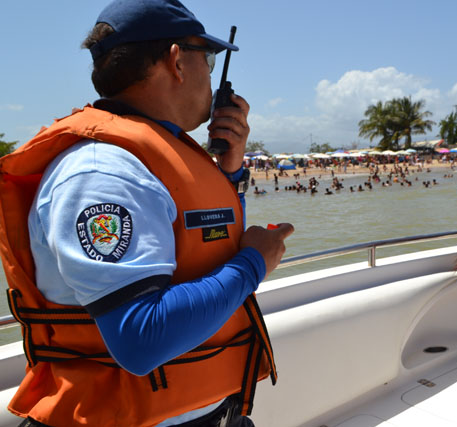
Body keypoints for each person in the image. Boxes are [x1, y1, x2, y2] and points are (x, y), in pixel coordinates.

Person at [0, 0, 294, 426]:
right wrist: (255, 263)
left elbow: (202, 246)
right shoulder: (103, 172)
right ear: (176, 61)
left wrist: (229, 174)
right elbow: (141, 337)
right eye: (208, 59)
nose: (211, 76)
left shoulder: (148, 159)